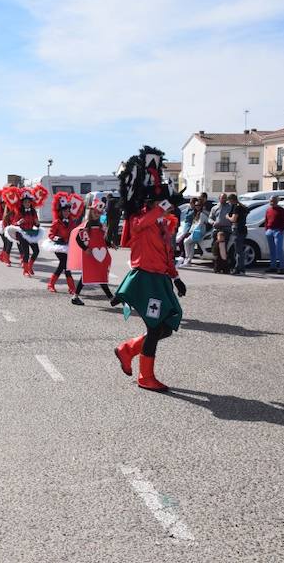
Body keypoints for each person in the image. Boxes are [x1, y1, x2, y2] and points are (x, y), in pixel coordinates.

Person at [113, 147, 186, 392]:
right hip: (144, 278)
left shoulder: (166, 221)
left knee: (167, 326)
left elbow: (167, 252)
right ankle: (146, 377)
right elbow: (141, 224)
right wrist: (163, 206)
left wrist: (175, 278)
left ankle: (129, 349)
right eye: (160, 200)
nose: (166, 204)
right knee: (154, 329)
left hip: (161, 279)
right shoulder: (139, 219)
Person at [68, 196, 114, 305]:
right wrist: (85, 248)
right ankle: (75, 297)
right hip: (90, 255)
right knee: (86, 276)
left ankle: (111, 298)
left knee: (100, 275)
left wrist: (110, 244)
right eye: (95, 212)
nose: (97, 214)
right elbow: (78, 239)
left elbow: (102, 240)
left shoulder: (100, 225)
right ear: (91, 212)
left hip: (100, 254)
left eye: (99, 213)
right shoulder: (87, 225)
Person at [46, 193, 79, 293]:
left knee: (64, 265)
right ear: (60, 211)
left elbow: (74, 233)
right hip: (58, 247)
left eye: (68, 211)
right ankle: (71, 287)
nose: (67, 213)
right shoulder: (56, 222)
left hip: (68, 246)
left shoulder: (72, 222)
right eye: (65, 211)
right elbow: (51, 235)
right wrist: (56, 238)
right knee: (65, 264)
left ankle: (51, 284)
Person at [264, 195, 284, 274]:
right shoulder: (268, 210)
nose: (272, 202)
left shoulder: (281, 210)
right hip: (269, 231)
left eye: (274, 201)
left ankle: (282, 267)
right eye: (271, 201)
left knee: (279, 249)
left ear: (277, 201)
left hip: (278, 231)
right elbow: (266, 220)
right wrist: (266, 229)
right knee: (272, 250)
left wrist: (281, 229)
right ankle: (273, 266)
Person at [208, 193, 231, 273]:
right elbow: (210, 218)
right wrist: (213, 222)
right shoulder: (215, 208)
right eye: (222, 198)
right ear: (219, 198)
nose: (224, 199)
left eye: (225, 198)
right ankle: (217, 267)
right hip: (216, 230)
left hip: (226, 230)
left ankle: (225, 268)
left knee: (223, 249)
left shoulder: (229, 207)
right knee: (216, 250)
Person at [227, 193, 249, 275]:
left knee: (238, 251)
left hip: (238, 230)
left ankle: (239, 268)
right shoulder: (242, 207)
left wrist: (227, 217)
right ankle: (241, 268)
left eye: (229, 201)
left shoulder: (237, 207)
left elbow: (233, 219)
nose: (229, 202)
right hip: (242, 229)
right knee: (239, 250)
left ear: (232, 200)